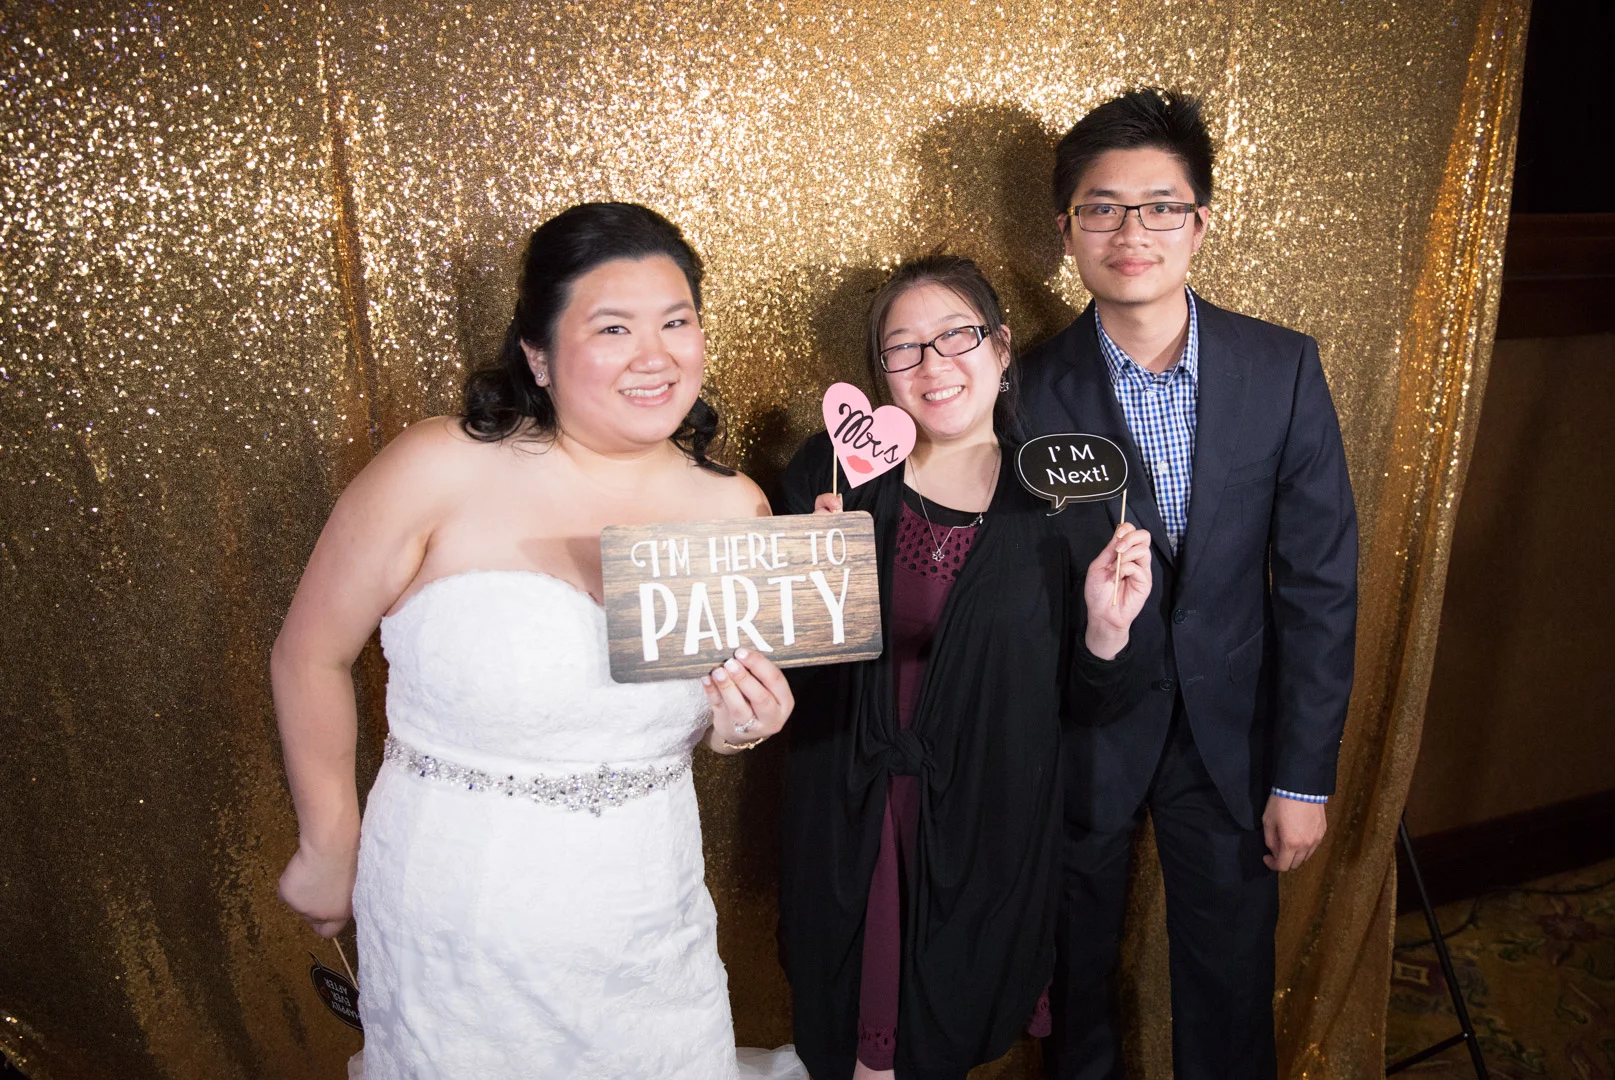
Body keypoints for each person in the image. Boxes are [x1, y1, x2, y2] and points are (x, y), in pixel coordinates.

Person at [271, 202, 803, 1079]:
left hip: (644, 918)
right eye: (613, 328)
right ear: (539, 354)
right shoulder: (437, 466)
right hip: (456, 916)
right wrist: (329, 841)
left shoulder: (733, 506)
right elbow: (308, 655)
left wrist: (741, 726)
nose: (654, 355)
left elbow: (712, 710)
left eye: (676, 323)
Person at [1019, 89, 1359, 1079]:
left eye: (1160, 207)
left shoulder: (1281, 368)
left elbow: (1320, 583)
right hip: (1081, 734)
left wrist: (1302, 775)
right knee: (1074, 983)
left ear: (1200, 223)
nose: (1132, 233)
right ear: (1066, 230)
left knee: (1230, 987)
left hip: (1233, 739)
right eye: (1102, 208)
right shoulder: (1021, 390)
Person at [775, 255, 1155, 1080]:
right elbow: (782, 673)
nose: (933, 364)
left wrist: (1105, 629)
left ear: (1002, 347)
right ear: (881, 372)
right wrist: (808, 574)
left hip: (987, 823)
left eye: (957, 336)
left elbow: (1092, 705)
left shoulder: (1064, 501)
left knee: (946, 1040)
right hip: (850, 815)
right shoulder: (832, 474)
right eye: (903, 348)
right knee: (855, 1052)